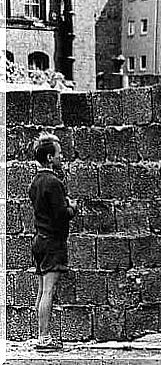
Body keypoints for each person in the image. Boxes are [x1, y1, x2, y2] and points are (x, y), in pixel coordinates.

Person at [29, 133, 78, 351]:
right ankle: (44, 338)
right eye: (59, 153)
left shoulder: (35, 182)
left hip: (39, 240)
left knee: (41, 290)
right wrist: (72, 208)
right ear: (50, 157)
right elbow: (61, 214)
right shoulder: (53, 182)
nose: (61, 156)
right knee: (48, 291)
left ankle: (39, 334)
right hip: (52, 243)